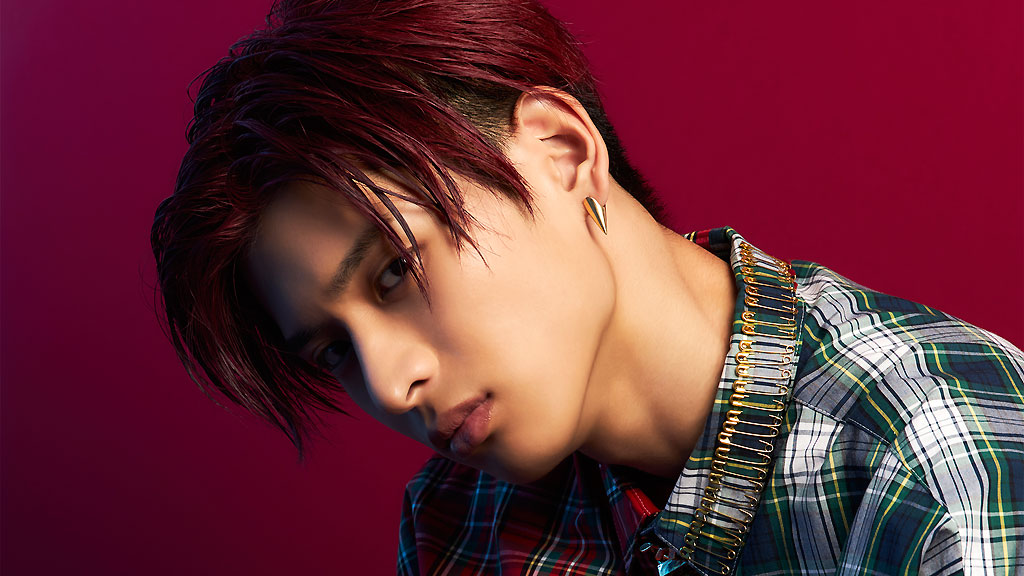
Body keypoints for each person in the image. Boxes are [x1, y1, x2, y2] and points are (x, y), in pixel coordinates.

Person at [150, 0, 1024, 574]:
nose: (389, 383)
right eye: (334, 350)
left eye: (394, 271)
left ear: (561, 153)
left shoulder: (933, 468)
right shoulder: (463, 524)